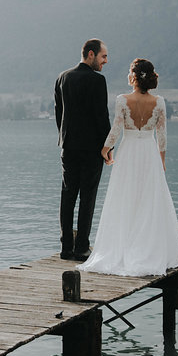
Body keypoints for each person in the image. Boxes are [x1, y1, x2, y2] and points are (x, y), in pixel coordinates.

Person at [77, 58, 178, 276]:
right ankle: (148, 247)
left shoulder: (122, 100)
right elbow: (162, 136)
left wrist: (105, 149)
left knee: (125, 197)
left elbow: (116, 129)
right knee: (149, 199)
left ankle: (123, 245)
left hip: (128, 152)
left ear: (133, 77)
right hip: (149, 152)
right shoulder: (159, 102)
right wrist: (162, 159)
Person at [55, 39, 111, 260]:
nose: (105, 61)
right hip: (91, 149)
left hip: (68, 146)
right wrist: (108, 146)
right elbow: (101, 116)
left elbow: (59, 114)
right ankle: (81, 248)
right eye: (103, 56)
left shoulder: (63, 77)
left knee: (67, 196)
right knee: (88, 197)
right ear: (90, 54)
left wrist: (64, 138)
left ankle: (66, 247)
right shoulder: (97, 80)